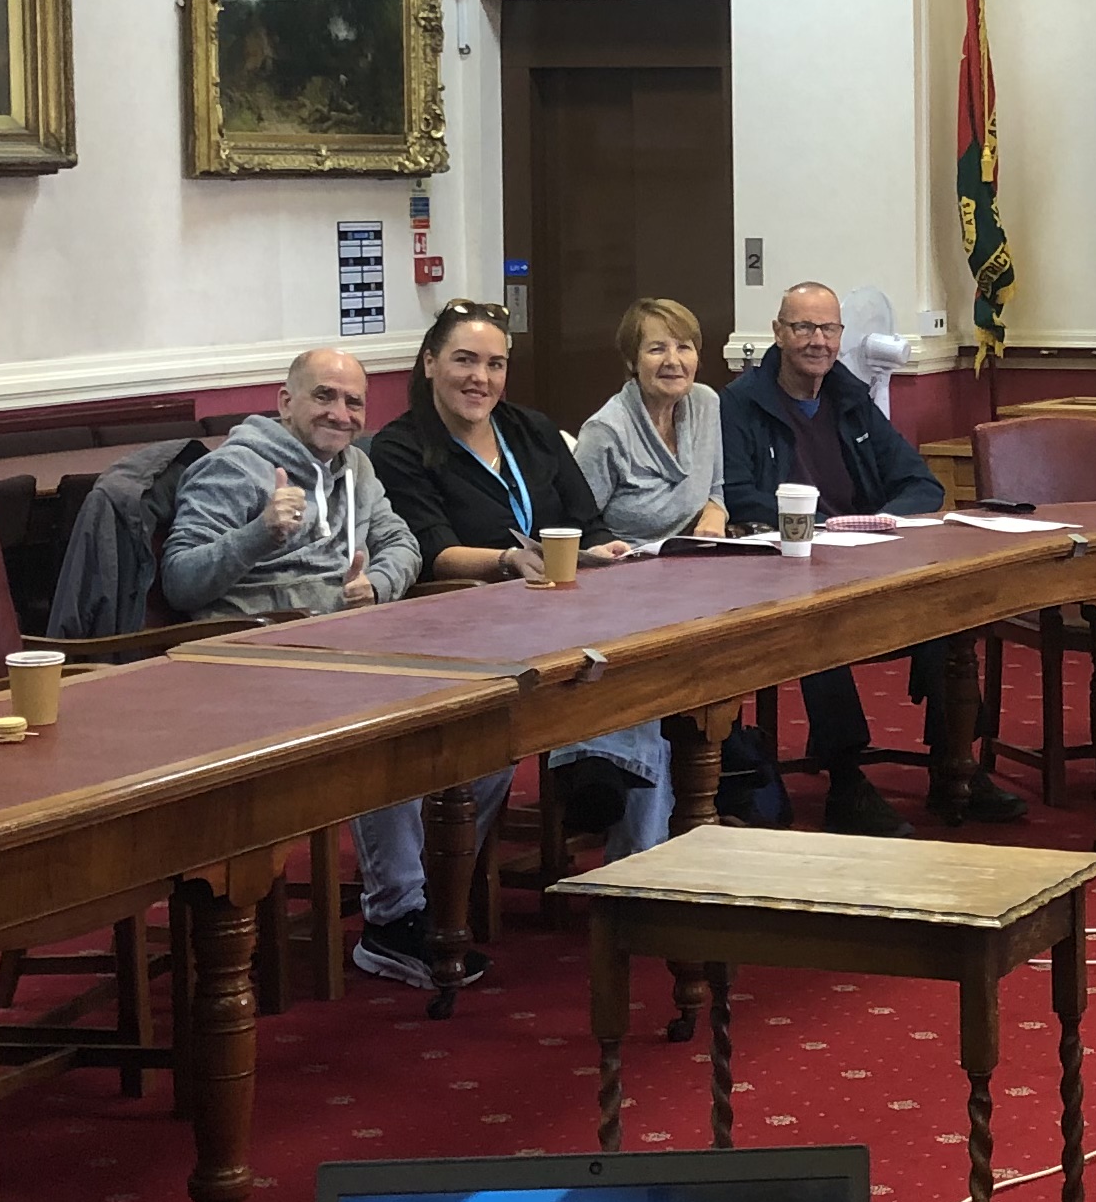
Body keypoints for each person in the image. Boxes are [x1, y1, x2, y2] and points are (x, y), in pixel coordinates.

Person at [160, 350, 487, 995]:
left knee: (471, 715)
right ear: (285, 403)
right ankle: (396, 920)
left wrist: (378, 587)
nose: (340, 414)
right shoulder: (232, 469)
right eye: (324, 397)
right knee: (391, 727)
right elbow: (180, 581)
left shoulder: (356, 468)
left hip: (340, 647)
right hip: (251, 664)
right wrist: (257, 532)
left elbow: (402, 542)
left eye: (354, 403)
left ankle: (427, 888)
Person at [367, 301, 673, 875]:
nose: (480, 378)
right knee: (605, 680)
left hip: (563, 607)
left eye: (495, 364)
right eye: (464, 361)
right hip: (468, 622)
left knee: (642, 668)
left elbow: (588, 518)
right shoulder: (400, 448)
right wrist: (509, 560)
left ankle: (633, 858)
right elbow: (433, 551)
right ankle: (597, 779)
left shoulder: (529, 429)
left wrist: (605, 548)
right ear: (429, 363)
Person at [718, 281, 1022, 837]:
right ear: (779, 333)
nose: (818, 341)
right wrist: (815, 527)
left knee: (948, 611)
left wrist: (879, 524)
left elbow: (919, 483)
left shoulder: (850, 398)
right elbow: (736, 494)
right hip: (788, 564)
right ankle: (846, 778)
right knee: (819, 623)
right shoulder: (740, 405)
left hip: (867, 553)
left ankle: (953, 761)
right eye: (804, 328)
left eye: (829, 329)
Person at [573, 296, 730, 547]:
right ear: (631, 361)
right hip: (626, 567)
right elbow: (575, 522)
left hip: (696, 562)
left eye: (684, 347)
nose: (673, 361)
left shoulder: (706, 403)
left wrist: (715, 512)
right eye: (657, 349)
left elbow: (715, 488)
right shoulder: (605, 431)